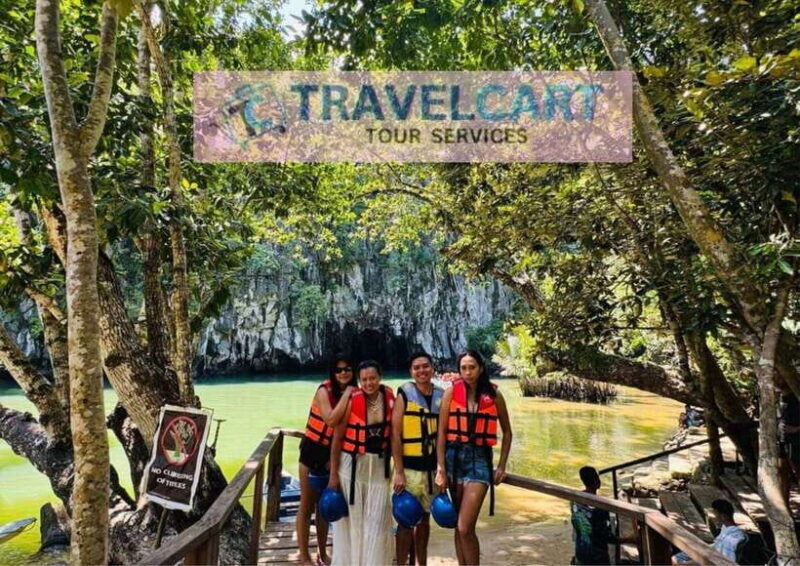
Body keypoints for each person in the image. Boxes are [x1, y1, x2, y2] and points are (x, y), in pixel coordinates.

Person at [434, 349, 513, 566]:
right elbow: (441, 433)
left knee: (465, 526)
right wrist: (440, 467)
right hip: (454, 459)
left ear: (481, 368)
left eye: (472, 367)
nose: (468, 372)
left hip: (480, 461)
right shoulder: (450, 393)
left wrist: (501, 466)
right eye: (463, 368)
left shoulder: (495, 396)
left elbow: (507, 433)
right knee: (457, 524)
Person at [329, 360, 395, 566]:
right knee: (352, 521)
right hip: (352, 466)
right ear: (359, 381)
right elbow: (337, 439)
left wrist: (399, 469)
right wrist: (333, 476)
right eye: (364, 379)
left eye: (373, 378)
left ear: (380, 378)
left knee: (378, 521)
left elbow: (395, 436)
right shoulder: (352, 401)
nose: (369, 383)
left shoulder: (390, 398)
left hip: (379, 467)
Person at [296, 356, 357, 566]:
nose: (344, 373)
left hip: (333, 454)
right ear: (333, 372)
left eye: (348, 369)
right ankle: (304, 556)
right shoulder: (324, 390)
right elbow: (330, 419)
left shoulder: (356, 393)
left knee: (324, 508)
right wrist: (348, 393)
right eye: (339, 370)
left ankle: (322, 553)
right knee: (306, 505)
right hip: (312, 451)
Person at [392, 351, 444, 566]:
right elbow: (395, 433)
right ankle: (402, 563)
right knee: (405, 519)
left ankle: (422, 563)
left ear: (432, 368)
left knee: (424, 520)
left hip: (431, 469)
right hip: (410, 470)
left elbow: (442, 434)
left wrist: (441, 468)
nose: (422, 371)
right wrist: (399, 471)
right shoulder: (404, 393)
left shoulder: (442, 395)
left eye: (425, 366)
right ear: (411, 371)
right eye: (417, 367)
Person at [672, 499, 746, 565]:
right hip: (710, 554)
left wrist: (688, 564)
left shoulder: (733, 537)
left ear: (723, 516)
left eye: (716, 514)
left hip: (713, 561)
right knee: (677, 558)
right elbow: (716, 547)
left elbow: (722, 560)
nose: (715, 517)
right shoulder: (725, 528)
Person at [570, 466, 617, 565]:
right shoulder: (600, 507)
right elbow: (608, 538)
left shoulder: (574, 500)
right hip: (597, 557)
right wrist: (631, 539)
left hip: (581, 552)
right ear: (597, 481)